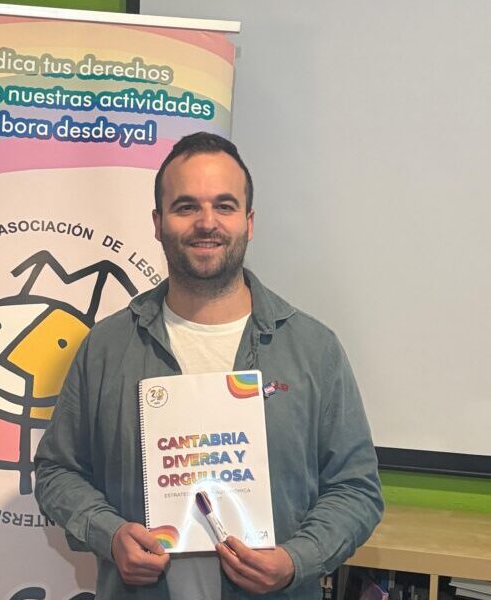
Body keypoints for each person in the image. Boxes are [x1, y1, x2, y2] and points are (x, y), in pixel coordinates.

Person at [34, 132, 383, 599]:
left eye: (224, 206)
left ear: (248, 222)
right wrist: (109, 534)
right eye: (186, 207)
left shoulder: (313, 350)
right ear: (158, 223)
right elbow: (57, 472)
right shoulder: (107, 347)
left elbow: (356, 489)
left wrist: (295, 560)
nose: (206, 223)